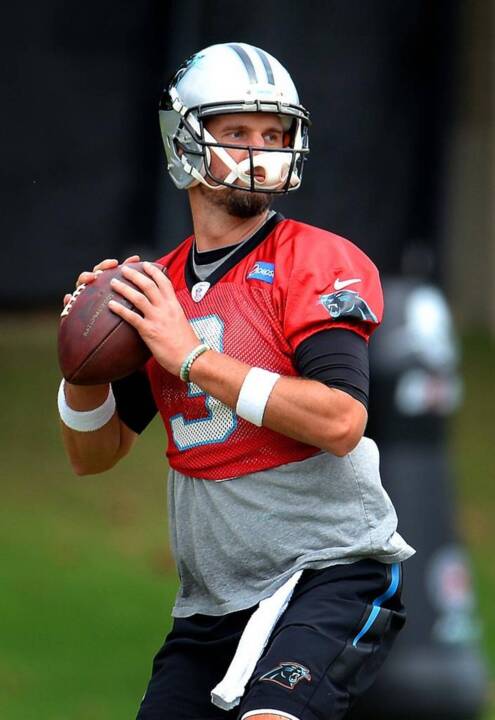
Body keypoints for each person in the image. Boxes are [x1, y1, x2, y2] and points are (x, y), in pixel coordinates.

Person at [58, 43, 414, 720]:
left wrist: (191, 357)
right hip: (212, 602)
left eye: (274, 134)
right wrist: (81, 367)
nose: (262, 149)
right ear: (185, 141)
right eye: (237, 133)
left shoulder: (315, 260)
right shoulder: (157, 288)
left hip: (327, 574)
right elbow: (91, 455)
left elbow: (341, 421)